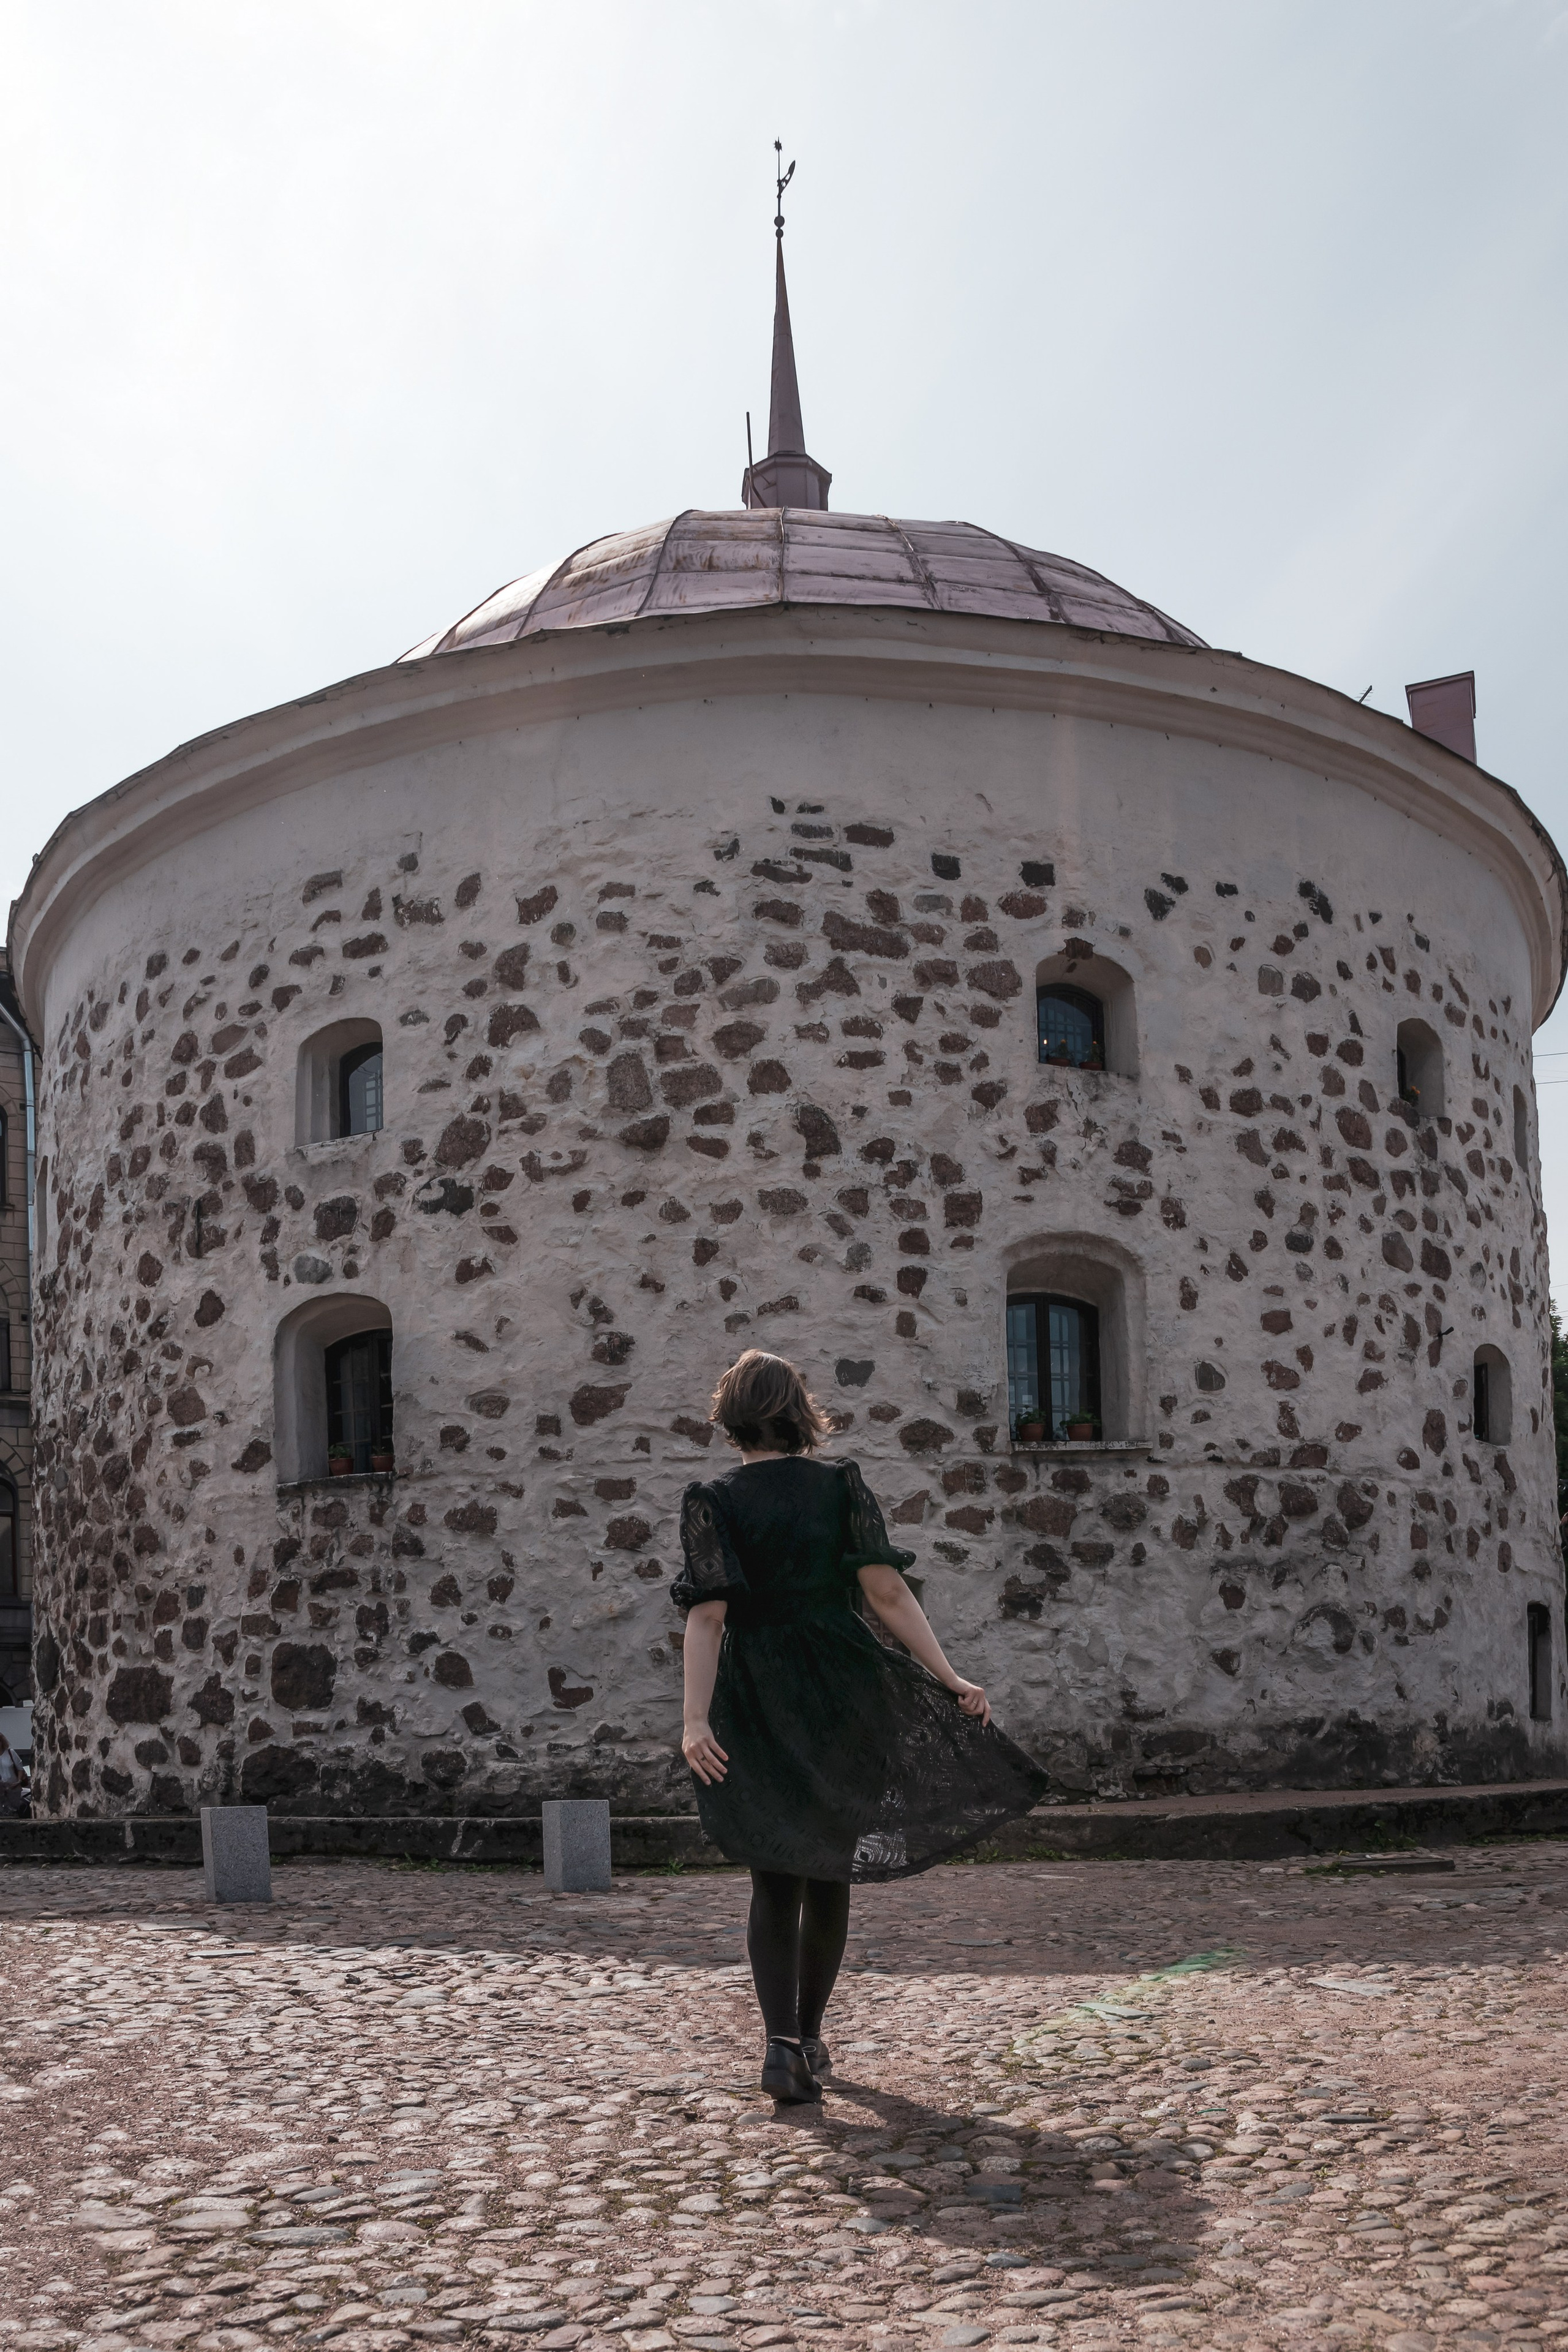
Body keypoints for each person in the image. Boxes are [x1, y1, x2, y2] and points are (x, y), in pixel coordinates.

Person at [674, 1349, 1050, 2105]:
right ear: (797, 1411)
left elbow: (709, 1616)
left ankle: (780, 2048)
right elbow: (884, 1591)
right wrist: (948, 1676)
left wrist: (692, 1720)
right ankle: (810, 2038)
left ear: (732, 1416)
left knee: (774, 1875)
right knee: (831, 1869)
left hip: (758, 1694)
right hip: (845, 1688)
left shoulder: (711, 1498)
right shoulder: (839, 1485)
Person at [0, 1726, 29, 1819]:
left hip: (13, 1787)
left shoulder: (10, 1753)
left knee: (13, 1812)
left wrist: (19, 1781)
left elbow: (20, 1768)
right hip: (1, 1788)